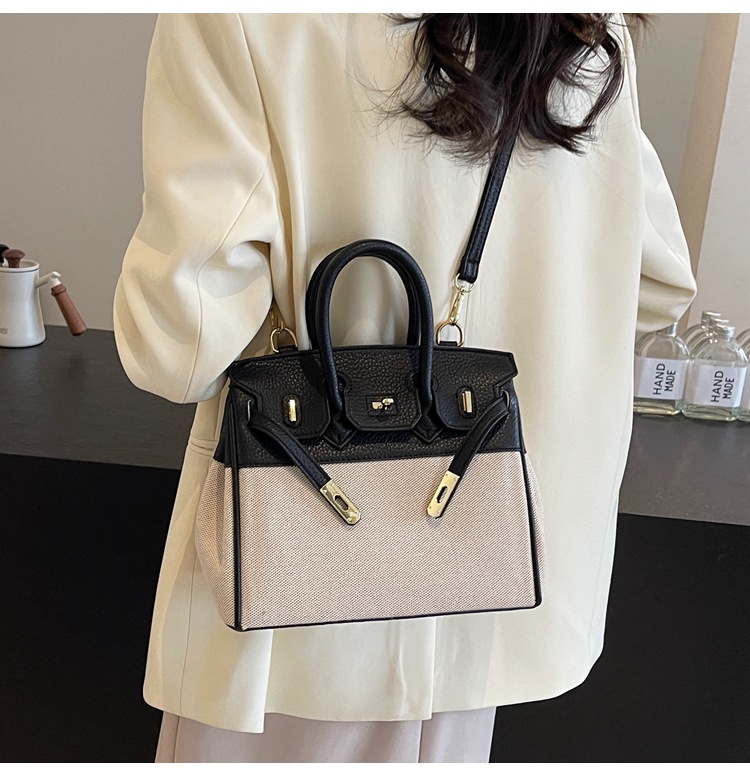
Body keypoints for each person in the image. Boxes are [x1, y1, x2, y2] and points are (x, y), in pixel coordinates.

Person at [113, 13, 697, 763]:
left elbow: (173, 349)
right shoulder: (580, 24)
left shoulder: (241, 17)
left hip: (294, 599)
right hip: (486, 578)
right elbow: (658, 283)